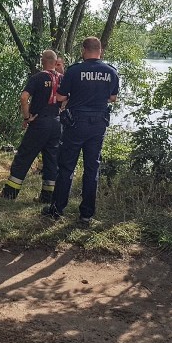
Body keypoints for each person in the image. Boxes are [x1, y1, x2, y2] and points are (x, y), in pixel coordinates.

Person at [43, 37, 119, 227]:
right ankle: (86, 215)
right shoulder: (111, 71)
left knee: (67, 167)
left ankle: (57, 209)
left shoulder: (75, 70)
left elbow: (60, 96)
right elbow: (113, 97)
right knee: (92, 168)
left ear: (84, 50)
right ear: (100, 51)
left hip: (76, 123)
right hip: (98, 124)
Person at [0, 50, 63, 203]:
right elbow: (67, 99)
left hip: (40, 123)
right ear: (55, 61)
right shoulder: (62, 78)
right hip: (56, 123)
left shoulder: (38, 77)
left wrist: (27, 117)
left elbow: (24, 97)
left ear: (42, 61)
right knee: (51, 159)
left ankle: (9, 193)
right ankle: (48, 196)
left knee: (24, 156)